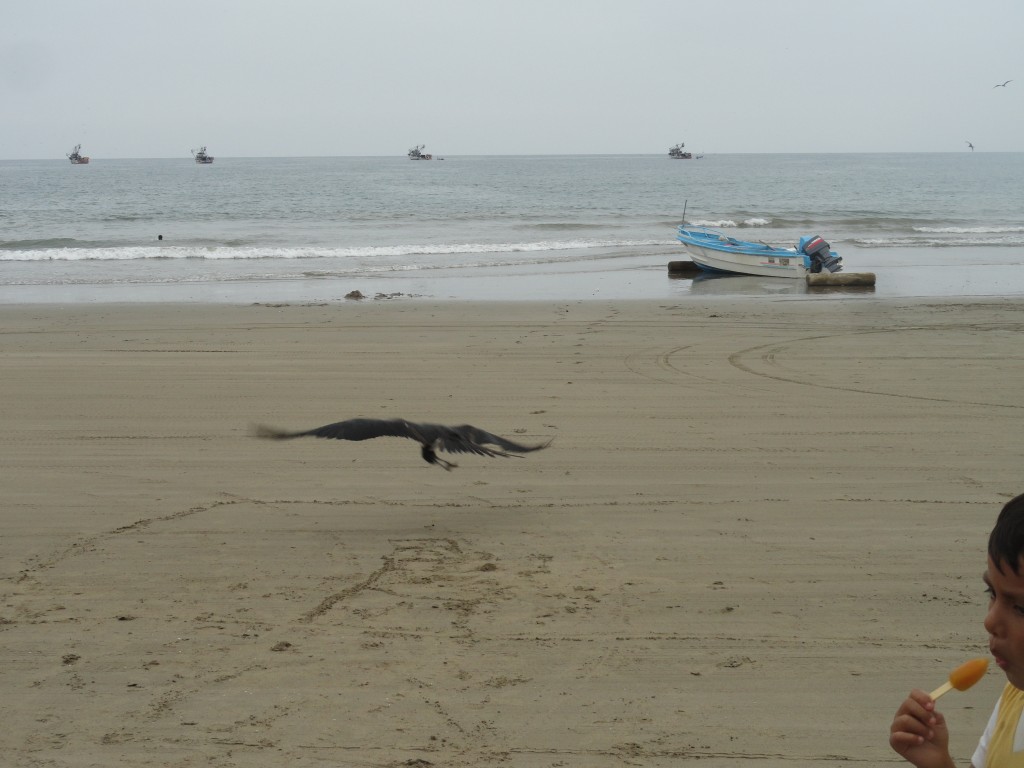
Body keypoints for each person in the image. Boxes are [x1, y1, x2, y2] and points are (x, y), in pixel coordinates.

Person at [890, 493, 1024, 768]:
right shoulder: (1016, 696)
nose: (990, 621)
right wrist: (938, 763)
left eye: (1021, 608)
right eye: (992, 592)